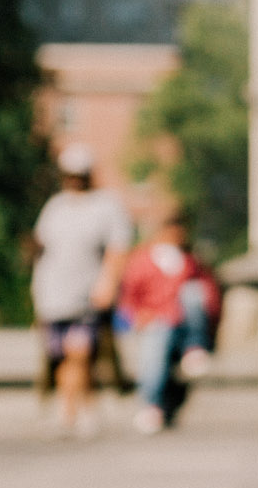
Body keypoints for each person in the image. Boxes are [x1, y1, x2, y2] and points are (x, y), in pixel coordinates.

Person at [28, 143, 133, 437]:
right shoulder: (56, 206)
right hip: (53, 295)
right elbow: (42, 246)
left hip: (86, 294)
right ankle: (82, 409)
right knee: (61, 356)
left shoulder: (106, 205)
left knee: (81, 353)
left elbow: (118, 248)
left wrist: (108, 283)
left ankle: (69, 412)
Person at [116, 212, 221, 433]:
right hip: (157, 320)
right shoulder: (142, 260)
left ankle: (195, 346)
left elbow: (209, 293)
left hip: (186, 322)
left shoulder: (191, 261)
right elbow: (128, 298)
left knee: (193, 294)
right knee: (155, 349)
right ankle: (151, 404)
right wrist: (138, 317)